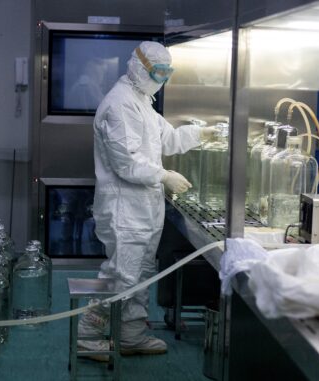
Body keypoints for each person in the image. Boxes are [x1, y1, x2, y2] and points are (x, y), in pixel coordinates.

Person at [77, 41, 217, 358]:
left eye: (168, 73)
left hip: (144, 209)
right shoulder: (120, 104)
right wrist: (164, 176)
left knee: (140, 274)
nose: (162, 78)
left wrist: (202, 134)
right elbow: (126, 162)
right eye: (159, 72)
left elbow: (167, 139)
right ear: (139, 67)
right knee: (121, 276)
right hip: (124, 209)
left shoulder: (141, 101)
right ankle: (87, 333)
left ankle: (131, 334)